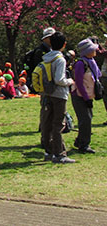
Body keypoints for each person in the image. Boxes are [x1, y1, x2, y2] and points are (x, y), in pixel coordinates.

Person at [39, 31, 75, 164]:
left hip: (47, 93)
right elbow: (59, 79)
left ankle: (48, 151)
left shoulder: (47, 57)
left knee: (47, 122)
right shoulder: (60, 59)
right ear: (64, 44)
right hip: (59, 95)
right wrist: (70, 81)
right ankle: (59, 154)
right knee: (58, 124)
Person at [71, 39, 101, 154]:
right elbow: (79, 82)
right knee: (85, 120)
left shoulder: (91, 61)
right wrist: (86, 98)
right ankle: (84, 145)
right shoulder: (80, 63)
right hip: (80, 96)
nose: (96, 50)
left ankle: (80, 141)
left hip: (88, 95)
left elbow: (97, 75)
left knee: (88, 118)